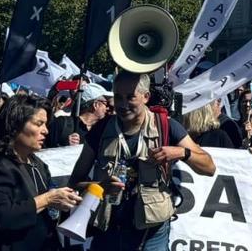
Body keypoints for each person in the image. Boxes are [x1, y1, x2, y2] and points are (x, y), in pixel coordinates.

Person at [69, 72, 215, 251]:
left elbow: (209, 167)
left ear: (146, 97)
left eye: (130, 97)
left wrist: (183, 152)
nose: (123, 104)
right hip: (109, 231)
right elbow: (74, 183)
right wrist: (100, 186)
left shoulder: (166, 126)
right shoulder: (101, 129)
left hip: (152, 233)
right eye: (117, 97)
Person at [0, 96, 83, 251]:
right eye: (38, 124)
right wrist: (47, 199)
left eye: (46, 124)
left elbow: (49, 215)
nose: (46, 131)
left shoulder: (39, 165)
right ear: (15, 125)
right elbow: (1, 218)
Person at [49, 83, 112, 148]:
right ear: (96, 105)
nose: (108, 108)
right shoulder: (62, 123)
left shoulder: (101, 132)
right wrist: (64, 144)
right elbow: (43, 151)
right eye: (106, 104)